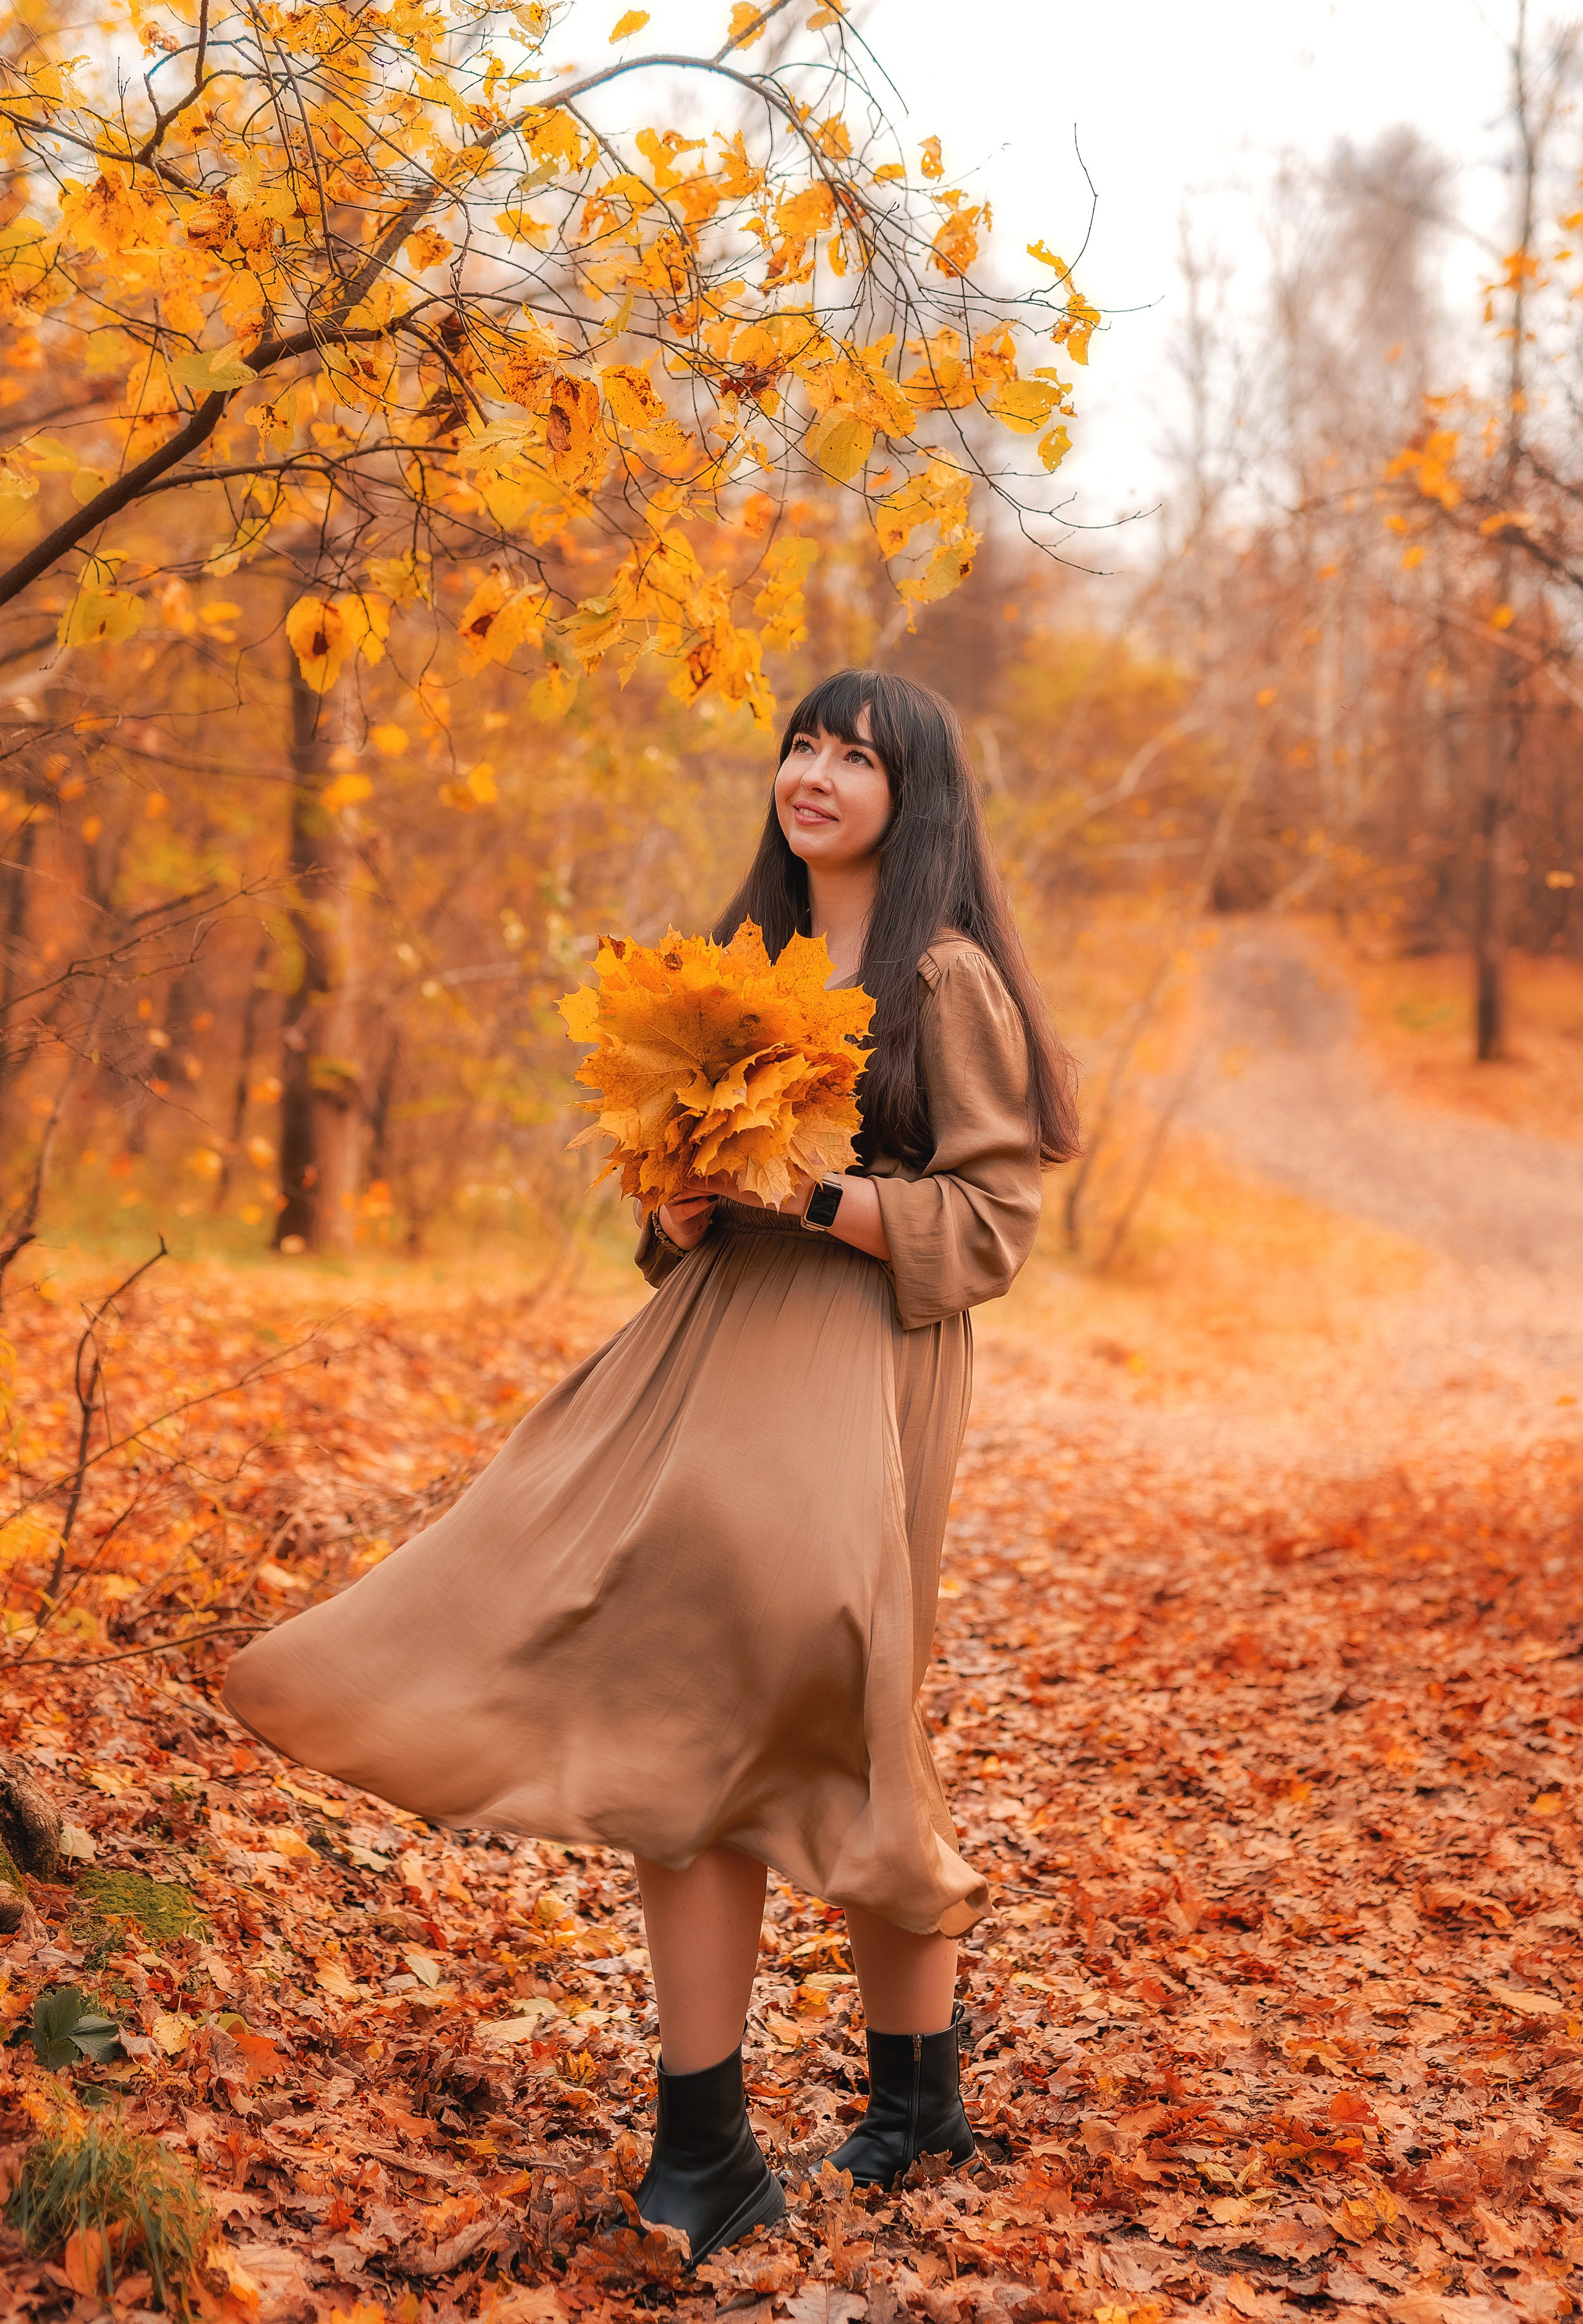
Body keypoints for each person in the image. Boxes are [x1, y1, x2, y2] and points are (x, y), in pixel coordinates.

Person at [224, 667, 1079, 2264]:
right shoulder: (737, 959)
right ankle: (766, 2127)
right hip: (713, 1346)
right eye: (801, 743)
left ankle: (866, 2107)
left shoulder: (945, 976)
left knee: (812, 1685)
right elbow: (671, 1208)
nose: (813, 772)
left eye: (854, 754)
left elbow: (992, 1230)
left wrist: (812, 1192)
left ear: (920, 792)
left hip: (857, 1361)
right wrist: (681, 1205)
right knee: (730, 1690)